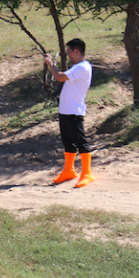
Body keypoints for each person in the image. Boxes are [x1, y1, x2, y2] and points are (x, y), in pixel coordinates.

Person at [44, 39, 94, 188]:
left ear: (76, 51)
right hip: (65, 110)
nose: (68, 54)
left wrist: (51, 64)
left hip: (74, 111)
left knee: (80, 142)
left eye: (69, 51)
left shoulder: (83, 67)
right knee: (68, 142)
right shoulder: (77, 67)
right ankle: (69, 170)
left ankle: (87, 173)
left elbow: (59, 77)